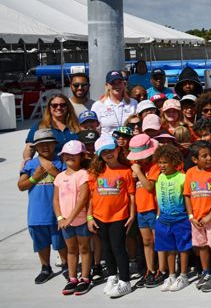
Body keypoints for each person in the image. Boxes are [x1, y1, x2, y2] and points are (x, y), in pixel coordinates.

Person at [88, 133, 136, 298]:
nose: (108, 154)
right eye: (103, 152)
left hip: (119, 216)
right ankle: (112, 276)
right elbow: (90, 196)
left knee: (118, 248)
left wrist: (131, 215)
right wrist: (89, 217)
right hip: (99, 216)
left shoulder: (126, 171)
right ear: (99, 155)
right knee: (106, 248)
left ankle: (125, 281)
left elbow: (131, 195)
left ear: (117, 149)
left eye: (110, 149)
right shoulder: (96, 172)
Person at [19, 128, 66, 285]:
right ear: (36, 148)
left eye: (49, 144)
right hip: (37, 213)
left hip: (57, 212)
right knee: (41, 242)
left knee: (60, 241)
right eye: (41, 144)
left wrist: (53, 171)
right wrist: (35, 178)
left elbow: (67, 182)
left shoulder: (61, 162)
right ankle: (45, 267)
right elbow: (21, 185)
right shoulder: (30, 164)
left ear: (54, 144)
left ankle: (66, 265)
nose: (45, 147)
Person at [184, 141, 211, 292]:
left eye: (210, 155)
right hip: (196, 219)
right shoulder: (190, 173)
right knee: (201, 246)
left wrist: (210, 215)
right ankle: (206, 272)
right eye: (204, 156)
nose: (209, 158)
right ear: (195, 160)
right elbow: (187, 195)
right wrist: (191, 216)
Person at [53, 140, 92, 295]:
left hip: (80, 220)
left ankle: (85, 278)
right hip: (65, 222)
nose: (70, 157)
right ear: (63, 157)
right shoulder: (60, 177)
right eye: (67, 154)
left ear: (81, 156)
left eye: (75, 155)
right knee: (71, 249)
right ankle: (72, 278)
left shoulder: (83, 174)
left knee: (84, 248)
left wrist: (70, 218)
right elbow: (55, 200)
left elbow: (83, 198)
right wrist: (60, 218)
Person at [152, 143, 192, 293]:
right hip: (163, 220)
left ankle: (183, 275)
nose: (161, 166)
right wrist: (157, 217)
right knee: (168, 249)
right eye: (160, 162)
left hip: (180, 219)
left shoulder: (183, 177)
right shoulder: (159, 177)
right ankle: (171, 275)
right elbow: (158, 198)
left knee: (183, 247)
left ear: (174, 162)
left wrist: (189, 216)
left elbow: (188, 198)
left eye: (165, 162)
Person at [128, 134, 163, 289]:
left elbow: (149, 187)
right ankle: (150, 269)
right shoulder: (138, 166)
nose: (139, 160)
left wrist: (138, 171)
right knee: (146, 242)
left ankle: (162, 270)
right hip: (141, 209)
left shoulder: (155, 166)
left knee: (158, 242)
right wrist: (136, 171)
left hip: (153, 209)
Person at [23, 93, 80, 164]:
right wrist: (27, 159)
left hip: (75, 165)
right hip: (51, 166)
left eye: (62, 105)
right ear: (49, 108)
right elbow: (30, 148)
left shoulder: (77, 125)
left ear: (68, 107)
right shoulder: (40, 126)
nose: (59, 108)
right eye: (54, 105)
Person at [91, 70, 138, 134]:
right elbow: (95, 129)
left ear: (124, 84)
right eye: (113, 83)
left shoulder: (133, 103)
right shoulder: (98, 105)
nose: (117, 86)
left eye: (119, 82)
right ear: (107, 85)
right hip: (106, 142)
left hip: (128, 141)